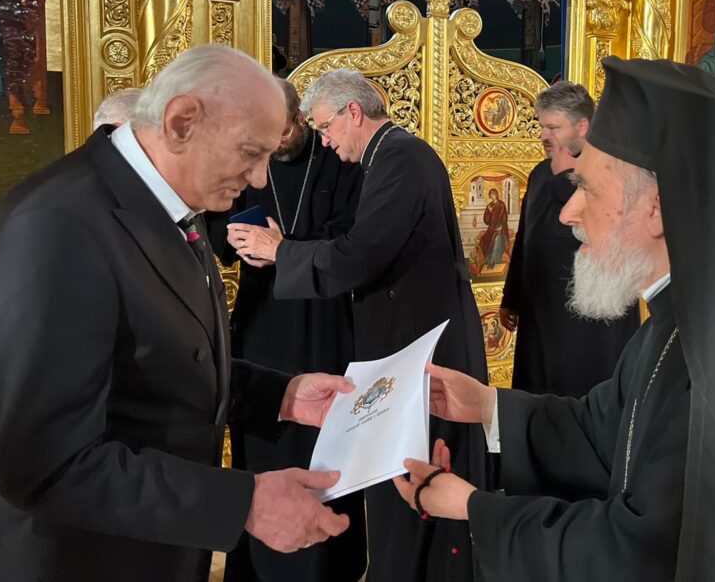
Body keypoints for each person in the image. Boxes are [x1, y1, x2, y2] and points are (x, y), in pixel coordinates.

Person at [394, 57, 715, 582]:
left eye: (588, 189)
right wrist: (486, 405)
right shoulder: (685, 316)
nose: (568, 212)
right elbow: (605, 432)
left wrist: (473, 508)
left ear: (656, 208)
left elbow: (640, 553)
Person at [0, 45, 355, 582]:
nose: (259, 178)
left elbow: (156, 359)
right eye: (250, 152)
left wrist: (280, 396)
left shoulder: (168, 205)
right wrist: (243, 504)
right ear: (181, 122)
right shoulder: (56, 225)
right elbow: (45, 464)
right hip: (77, 560)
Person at [228, 68, 488, 582]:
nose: (324, 140)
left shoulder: (401, 159)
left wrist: (282, 251)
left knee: (422, 472)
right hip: (406, 337)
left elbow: (359, 254)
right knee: (403, 475)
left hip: (420, 342)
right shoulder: (390, 157)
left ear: (353, 112)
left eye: (327, 127)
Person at [207, 79, 366, 582]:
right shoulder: (249, 159)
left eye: (285, 131)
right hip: (262, 325)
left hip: (323, 325)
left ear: (300, 119)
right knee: (261, 433)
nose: (277, 145)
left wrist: (285, 248)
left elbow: (351, 241)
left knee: (323, 436)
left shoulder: (339, 161)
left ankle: (327, 562)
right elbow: (218, 235)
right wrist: (239, 239)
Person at [500, 81, 638, 397]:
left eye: (553, 127)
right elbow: (526, 239)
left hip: (589, 328)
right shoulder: (539, 174)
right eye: (542, 126)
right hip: (540, 317)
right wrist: (512, 298)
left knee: (582, 400)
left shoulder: (614, 173)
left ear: (582, 127)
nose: (543, 135)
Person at [475, 187, 508, 269]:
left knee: (497, 240)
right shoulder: (489, 206)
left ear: (496, 195)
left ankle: (494, 261)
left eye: (494, 194)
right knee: (485, 240)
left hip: (500, 228)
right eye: (491, 195)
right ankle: (489, 261)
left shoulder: (501, 205)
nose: (492, 196)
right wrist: (490, 212)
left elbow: (504, 218)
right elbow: (486, 221)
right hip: (491, 228)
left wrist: (501, 226)